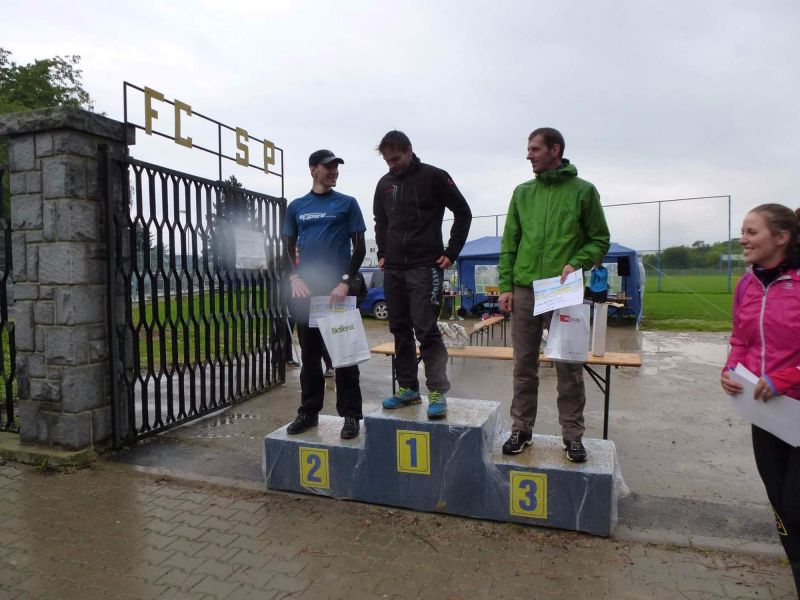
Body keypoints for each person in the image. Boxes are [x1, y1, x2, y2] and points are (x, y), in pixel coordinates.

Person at [498, 127, 610, 462]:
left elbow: (600, 239)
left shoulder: (583, 191)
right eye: (528, 149)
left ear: (555, 149)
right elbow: (510, 243)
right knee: (523, 365)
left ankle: (573, 436)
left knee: (569, 366)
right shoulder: (522, 193)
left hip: (564, 290)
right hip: (525, 290)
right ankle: (521, 430)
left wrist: (577, 262)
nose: (528, 155)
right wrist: (505, 286)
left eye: (534, 149)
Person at [720, 203, 800, 595]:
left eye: (752, 232)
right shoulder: (747, 284)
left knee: (796, 505)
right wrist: (730, 369)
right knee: (781, 507)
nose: (743, 239)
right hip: (767, 414)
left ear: (781, 238)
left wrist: (788, 377)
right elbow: (741, 338)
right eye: (743, 231)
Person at [374, 131, 472, 419]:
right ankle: (408, 388)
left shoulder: (434, 176)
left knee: (426, 329)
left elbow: (463, 212)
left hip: (425, 266)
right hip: (394, 268)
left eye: (396, 159)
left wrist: (452, 252)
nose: (392, 165)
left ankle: (437, 390)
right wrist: (382, 253)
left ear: (409, 150)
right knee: (399, 329)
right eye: (387, 161)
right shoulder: (384, 184)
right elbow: (381, 221)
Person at [283, 149, 367, 439]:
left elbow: (360, 247)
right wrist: (294, 277)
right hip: (307, 292)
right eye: (328, 167)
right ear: (313, 169)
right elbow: (287, 248)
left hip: (337, 292)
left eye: (336, 167)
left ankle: (351, 415)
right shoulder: (297, 206)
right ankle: (308, 412)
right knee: (309, 356)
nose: (334, 171)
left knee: (344, 355)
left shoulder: (347, 203)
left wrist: (345, 281)